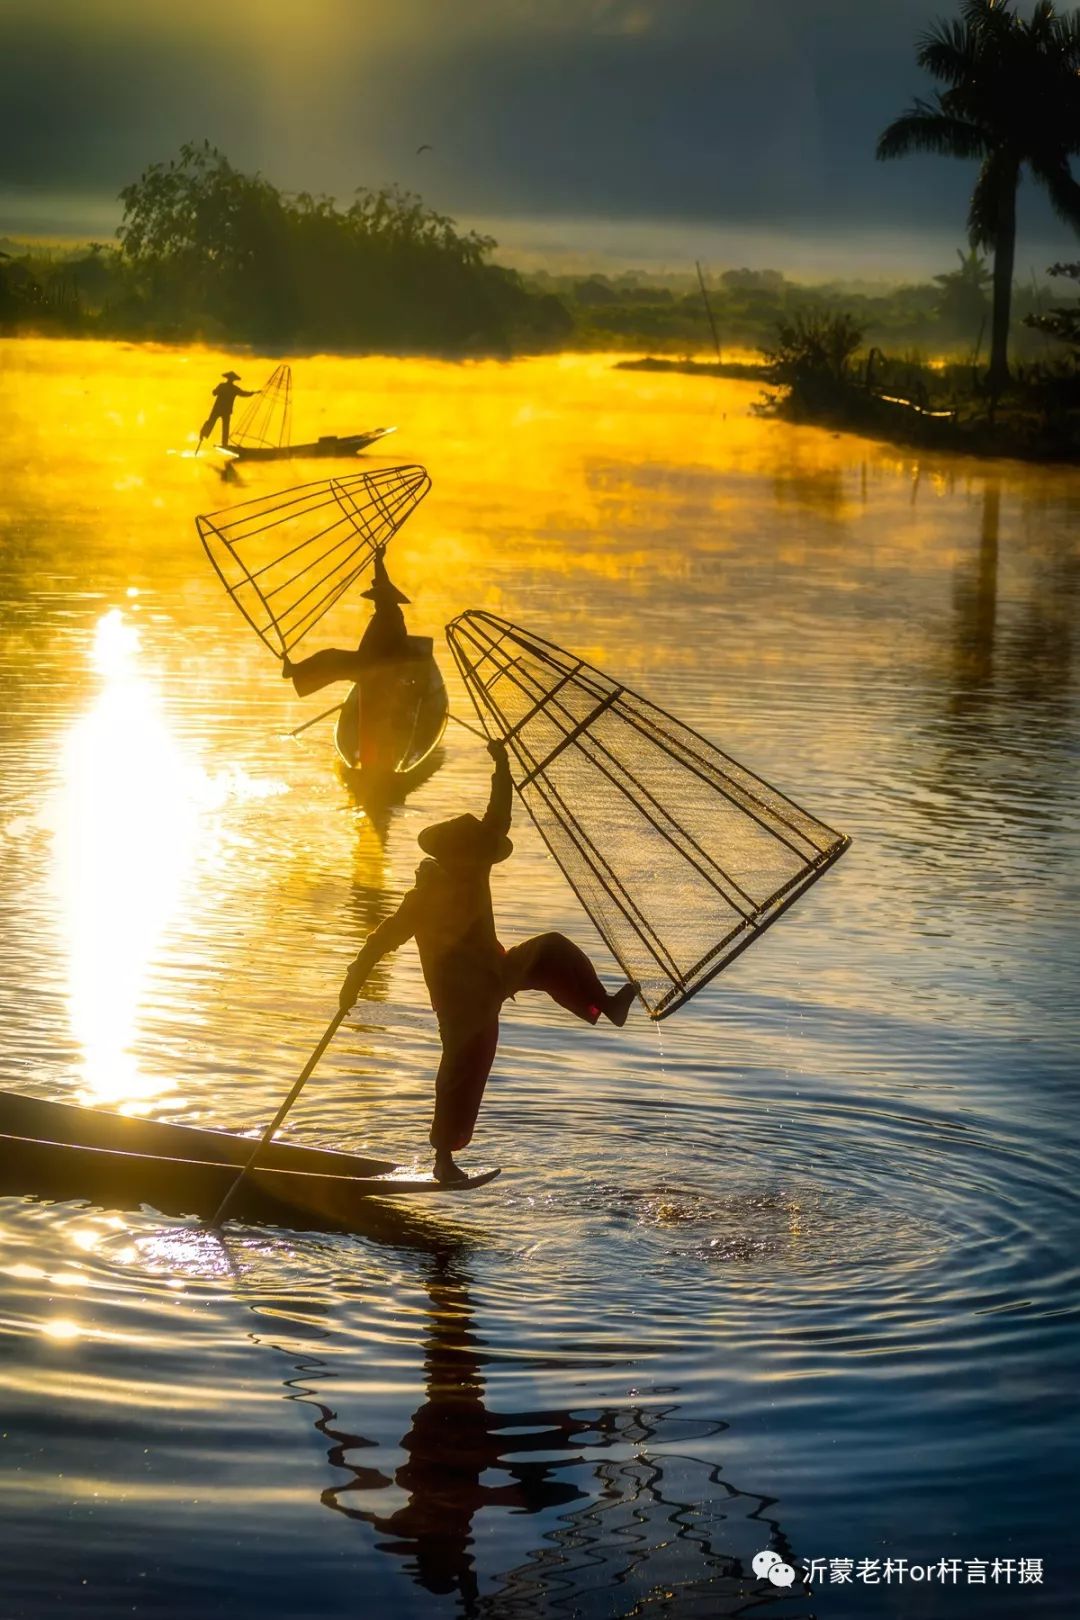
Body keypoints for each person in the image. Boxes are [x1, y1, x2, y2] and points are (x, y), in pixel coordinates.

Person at [338, 739, 639, 1182]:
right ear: (451, 856)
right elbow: (379, 942)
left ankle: (605, 1005)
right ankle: (443, 1160)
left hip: (495, 974)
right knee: (462, 1070)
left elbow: (499, 815)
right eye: (469, 853)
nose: (476, 857)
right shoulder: (423, 900)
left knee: (553, 948)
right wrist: (352, 984)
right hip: (460, 1000)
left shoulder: (473, 868)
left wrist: (502, 765)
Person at [282, 546, 414, 695]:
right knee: (330, 660)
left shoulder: (389, 616)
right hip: (369, 663)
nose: (375, 603)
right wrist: (378, 561)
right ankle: (297, 673)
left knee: (330, 658)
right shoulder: (389, 610)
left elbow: (389, 649)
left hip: (371, 667)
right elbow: (383, 581)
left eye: (378, 600)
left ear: (384, 600)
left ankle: (296, 673)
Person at [199, 370, 254, 448]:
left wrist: (252, 393)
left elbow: (243, 393)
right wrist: (252, 393)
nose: (231, 380)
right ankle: (203, 434)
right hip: (221, 409)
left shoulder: (227, 387)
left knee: (222, 426)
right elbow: (214, 393)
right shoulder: (228, 387)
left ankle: (222, 443)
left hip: (222, 410)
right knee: (214, 423)